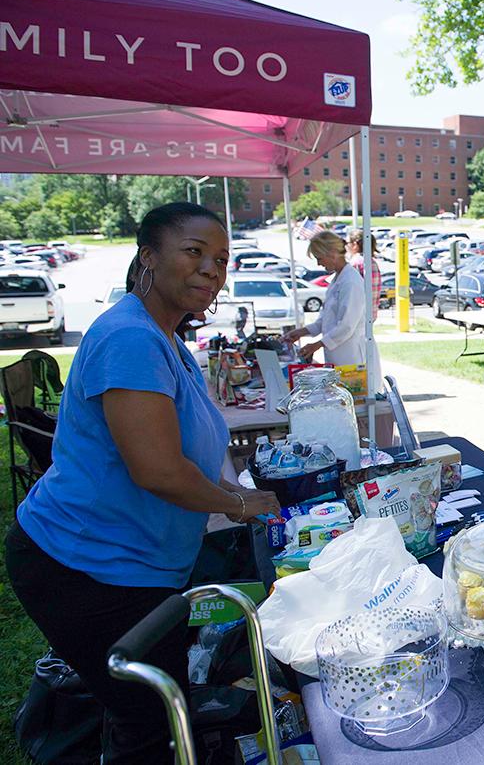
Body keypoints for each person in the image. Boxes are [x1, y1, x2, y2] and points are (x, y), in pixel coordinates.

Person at [6, 202, 281, 763]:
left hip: (133, 565)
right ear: (148, 258)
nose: (212, 269)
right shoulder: (130, 337)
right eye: (194, 252)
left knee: (156, 710)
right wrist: (239, 503)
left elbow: (194, 446)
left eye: (222, 260)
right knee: (151, 721)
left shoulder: (166, 338)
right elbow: (156, 469)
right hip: (84, 567)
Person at [282, 230, 374, 369]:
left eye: (319, 258)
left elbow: (346, 325)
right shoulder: (338, 279)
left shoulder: (351, 282)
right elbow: (325, 320)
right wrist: (302, 332)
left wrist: (317, 345)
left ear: (332, 253)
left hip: (351, 355)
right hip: (337, 354)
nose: (319, 264)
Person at [346, 228, 383, 319]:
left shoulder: (355, 262)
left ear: (355, 244)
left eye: (347, 243)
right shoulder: (372, 262)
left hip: (357, 316)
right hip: (371, 314)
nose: (345, 246)